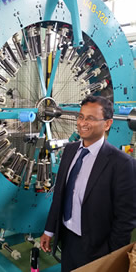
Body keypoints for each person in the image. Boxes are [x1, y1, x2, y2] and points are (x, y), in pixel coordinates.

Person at [40, 95, 136, 272]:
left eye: (91, 118)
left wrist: (111, 256)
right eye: (81, 117)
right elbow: (59, 195)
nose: (82, 123)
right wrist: (49, 231)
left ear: (107, 124)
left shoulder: (122, 164)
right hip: (67, 240)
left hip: (97, 248)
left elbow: (125, 219)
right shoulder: (69, 151)